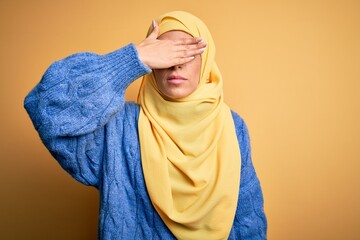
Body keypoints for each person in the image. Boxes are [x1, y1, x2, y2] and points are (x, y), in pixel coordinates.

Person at [24, 11, 267, 240]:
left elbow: (247, 219)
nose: (176, 64)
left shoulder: (232, 126)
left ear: (206, 63)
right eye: (166, 53)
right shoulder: (119, 127)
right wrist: (133, 58)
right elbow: (45, 106)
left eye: (187, 53)